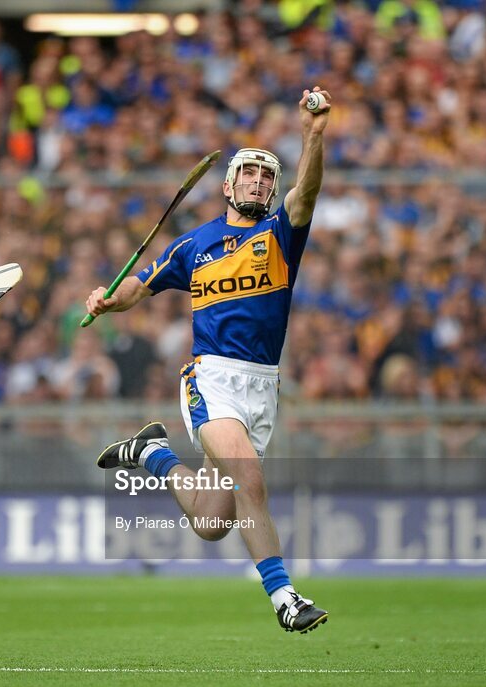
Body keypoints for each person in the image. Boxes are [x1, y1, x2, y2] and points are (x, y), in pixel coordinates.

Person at [85, 88, 332, 634]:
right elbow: (140, 287)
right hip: (210, 379)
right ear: (228, 184)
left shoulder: (281, 234)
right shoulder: (194, 245)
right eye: (249, 173)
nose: (260, 182)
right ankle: (285, 598)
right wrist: (109, 298)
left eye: (268, 176)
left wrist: (313, 134)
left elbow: (307, 192)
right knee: (251, 481)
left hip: (262, 384)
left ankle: (152, 454)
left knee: (213, 520)